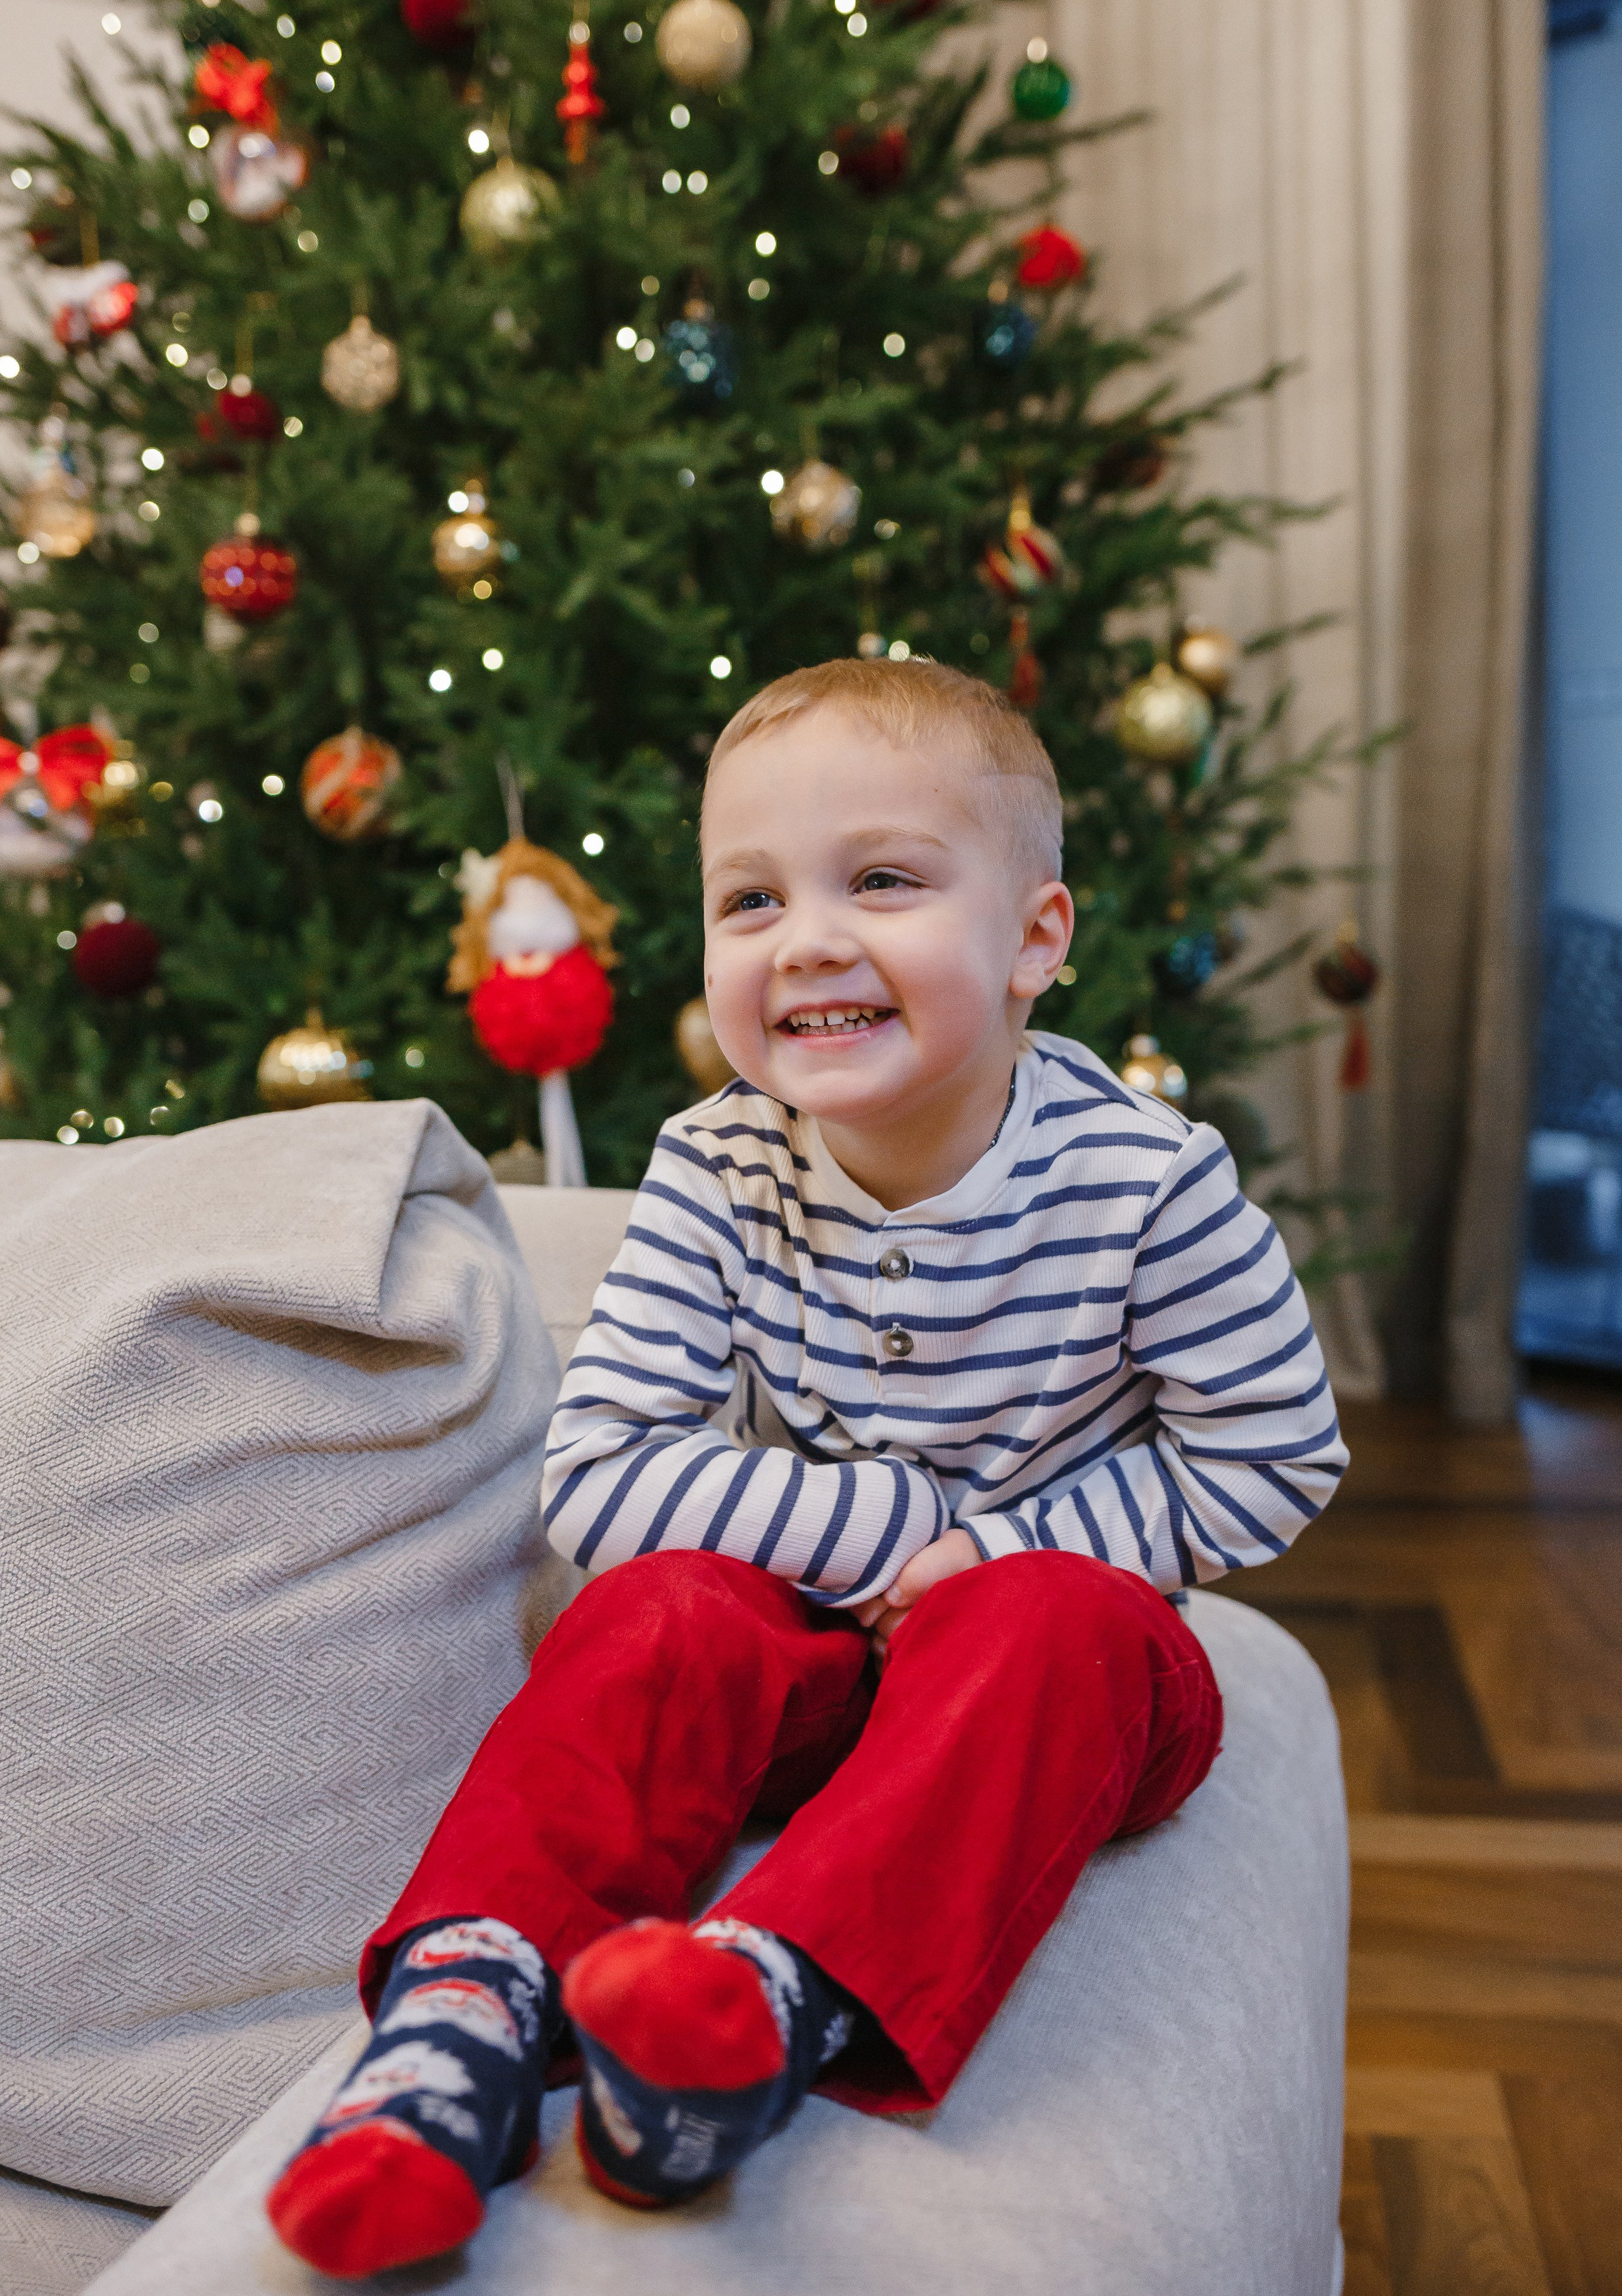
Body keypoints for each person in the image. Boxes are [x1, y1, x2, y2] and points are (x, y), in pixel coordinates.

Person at [267, 658, 1346, 2280]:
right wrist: (887, 1529)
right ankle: (464, 2015)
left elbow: (1272, 1452)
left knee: (1048, 1620)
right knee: (657, 1611)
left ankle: (756, 2002)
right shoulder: (714, 1165)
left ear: (1037, 937)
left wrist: (990, 1557)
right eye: (749, 898)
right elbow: (604, 1470)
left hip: (1057, 1667)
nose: (808, 939)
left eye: (885, 882)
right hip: (818, 1646)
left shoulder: (1147, 1183)